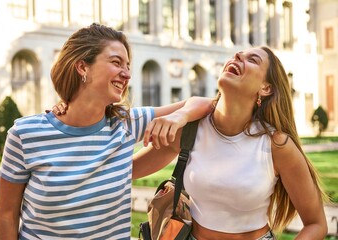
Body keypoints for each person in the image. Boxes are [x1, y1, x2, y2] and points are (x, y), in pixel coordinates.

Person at [0, 23, 213, 240]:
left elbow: (207, 103)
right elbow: (6, 216)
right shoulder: (25, 134)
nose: (126, 74)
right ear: (82, 67)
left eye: (128, 66)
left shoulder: (126, 124)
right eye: (116, 62)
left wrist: (178, 116)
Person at [133, 46, 328, 239]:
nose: (237, 56)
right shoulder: (189, 130)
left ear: (265, 88)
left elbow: (316, 224)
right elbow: (126, 170)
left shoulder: (276, 145)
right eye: (238, 54)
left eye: (252, 60)